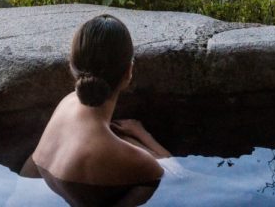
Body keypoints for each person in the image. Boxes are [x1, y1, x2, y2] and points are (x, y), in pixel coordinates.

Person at [20, 14, 170, 206]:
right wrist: (143, 134)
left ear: (71, 65)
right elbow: (179, 175)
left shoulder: (66, 103)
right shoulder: (141, 163)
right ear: (128, 72)